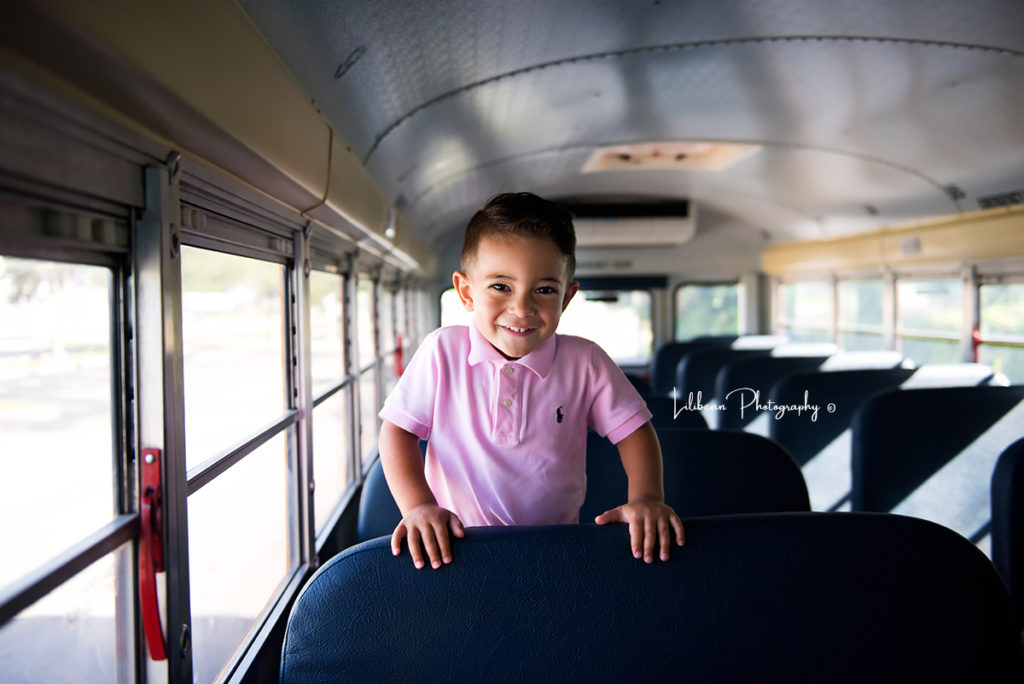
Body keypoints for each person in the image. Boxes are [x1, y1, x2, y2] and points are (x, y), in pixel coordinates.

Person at [378, 192, 684, 569]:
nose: (522, 308)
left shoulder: (584, 361)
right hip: (456, 550)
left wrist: (646, 497)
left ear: (567, 298)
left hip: (554, 551)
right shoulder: (441, 352)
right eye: (501, 287)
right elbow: (397, 432)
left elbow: (635, 430)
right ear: (466, 291)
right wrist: (420, 507)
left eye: (544, 290)